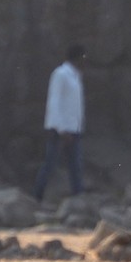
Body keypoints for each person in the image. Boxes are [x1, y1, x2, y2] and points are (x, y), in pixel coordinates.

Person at [33, 44, 87, 201]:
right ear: (77, 57)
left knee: (75, 165)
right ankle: (37, 196)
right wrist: (61, 128)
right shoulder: (60, 74)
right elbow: (54, 101)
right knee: (50, 164)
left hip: (74, 128)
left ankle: (79, 197)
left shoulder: (76, 75)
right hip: (60, 129)